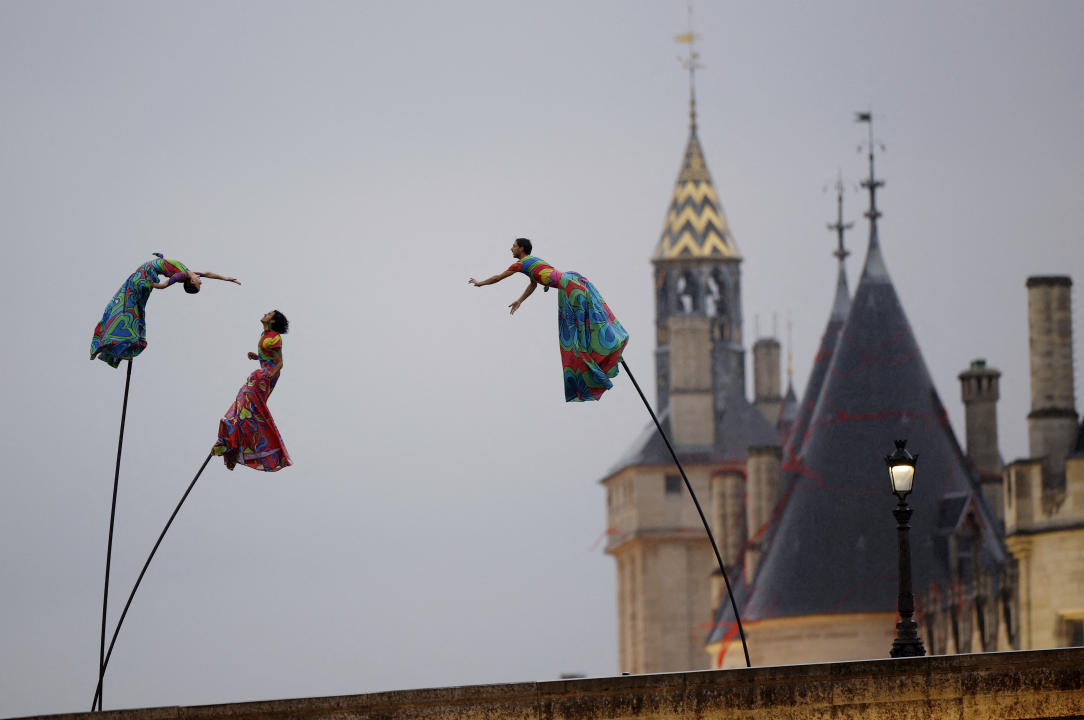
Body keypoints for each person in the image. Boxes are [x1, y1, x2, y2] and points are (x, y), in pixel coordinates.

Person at [469, 237, 629, 402]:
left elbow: (498, 277)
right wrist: (520, 300)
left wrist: (480, 283)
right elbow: (533, 284)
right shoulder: (531, 263)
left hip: (571, 289)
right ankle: (602, 354)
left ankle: (602, 357)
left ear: (522, 249)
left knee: (581, 338)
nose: (511, 249)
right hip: (571, 284)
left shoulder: (521, 264)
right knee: (584, 332)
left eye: (514, 246)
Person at [90, 253, 241, 367]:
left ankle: (119, 345)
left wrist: (152, 284)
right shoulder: (188, 273)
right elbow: (208, 273)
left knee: (132, 311)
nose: (201, 280)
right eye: (200, 282)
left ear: (191, 282)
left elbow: (164, 285)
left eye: (199, 283)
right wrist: (226, 278)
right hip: (144, 272)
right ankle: (118, 345)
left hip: (145, 275)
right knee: (132, 310)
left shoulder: (181, 275)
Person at [212, 310, 293, 472]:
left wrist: (270, 374)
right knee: (243, 404)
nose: (265, 313)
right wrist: (257, 357)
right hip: (261, 375)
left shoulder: (275, 338)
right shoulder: (265, 334)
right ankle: (233, 440)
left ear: (273, 320)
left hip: (264, 377)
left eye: (269, 313)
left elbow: (280, 363)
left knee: (247, 405)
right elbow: (268, 356)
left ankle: (232, 440)